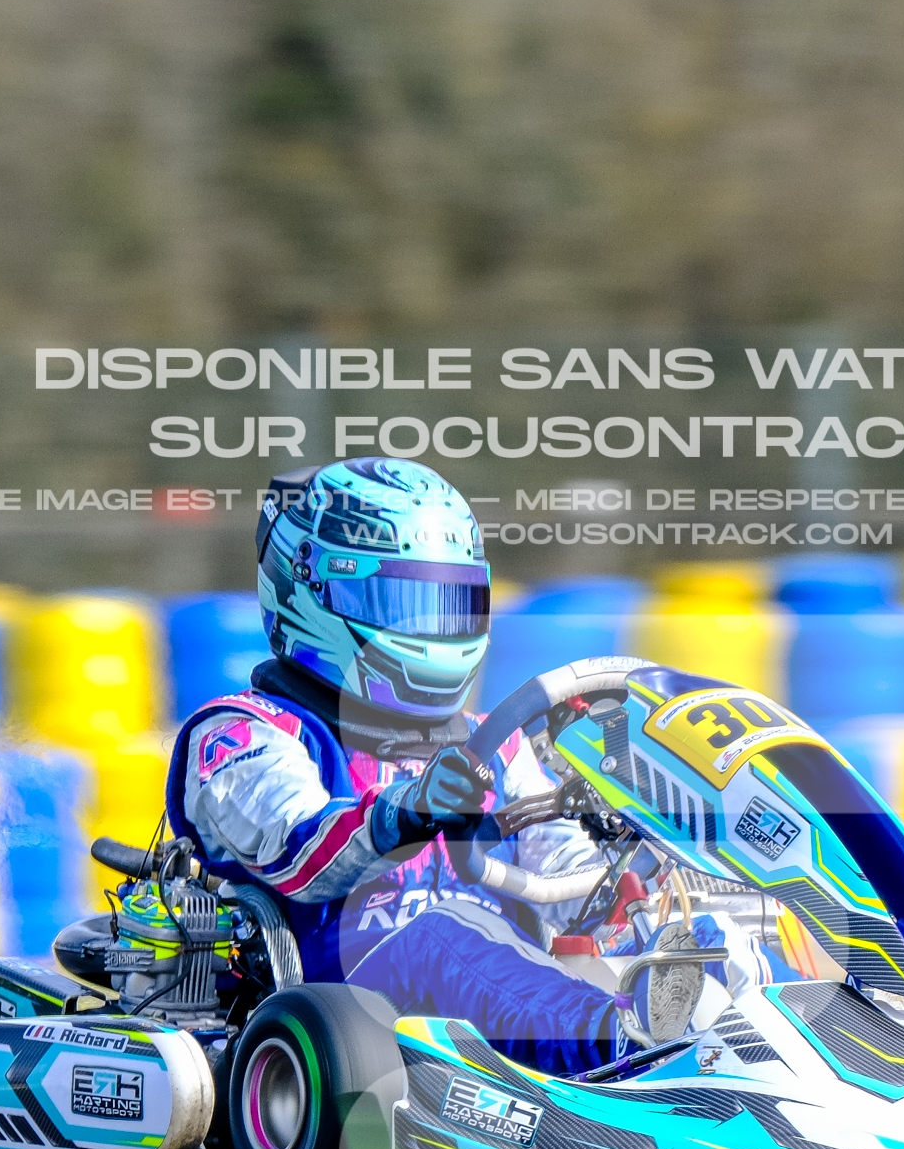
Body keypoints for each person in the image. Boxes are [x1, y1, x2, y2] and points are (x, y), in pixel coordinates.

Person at [164, 457, 707, 1075]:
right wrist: (400, 813)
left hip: (496, 1007)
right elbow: (297, 850)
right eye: (406, 604)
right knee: (444, 934)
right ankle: (629, 1052)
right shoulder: (243, 732)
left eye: (452, 604)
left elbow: (555, 865)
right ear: (314, 590)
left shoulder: (492, 742)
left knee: (696, 923)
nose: (436, 628)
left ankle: (746, 1044)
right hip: (338, 1015)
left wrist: (624, 879)